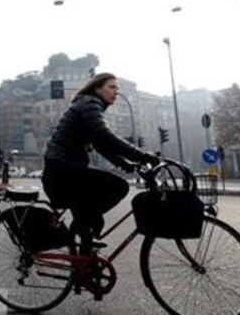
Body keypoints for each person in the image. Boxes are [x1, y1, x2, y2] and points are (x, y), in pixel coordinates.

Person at [43, 72, 159, 251]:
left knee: (88, 214)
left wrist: (125, 164)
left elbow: (100, 144)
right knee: (118, 186)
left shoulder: (88, 104)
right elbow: (105, 136)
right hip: (63, 171)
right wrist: (141, 155)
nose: (116, 92)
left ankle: (83, 263)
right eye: (111, 87)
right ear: (97, 88)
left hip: (64, 170)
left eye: (117, 88)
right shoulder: (90, 104)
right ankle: (84, 226)